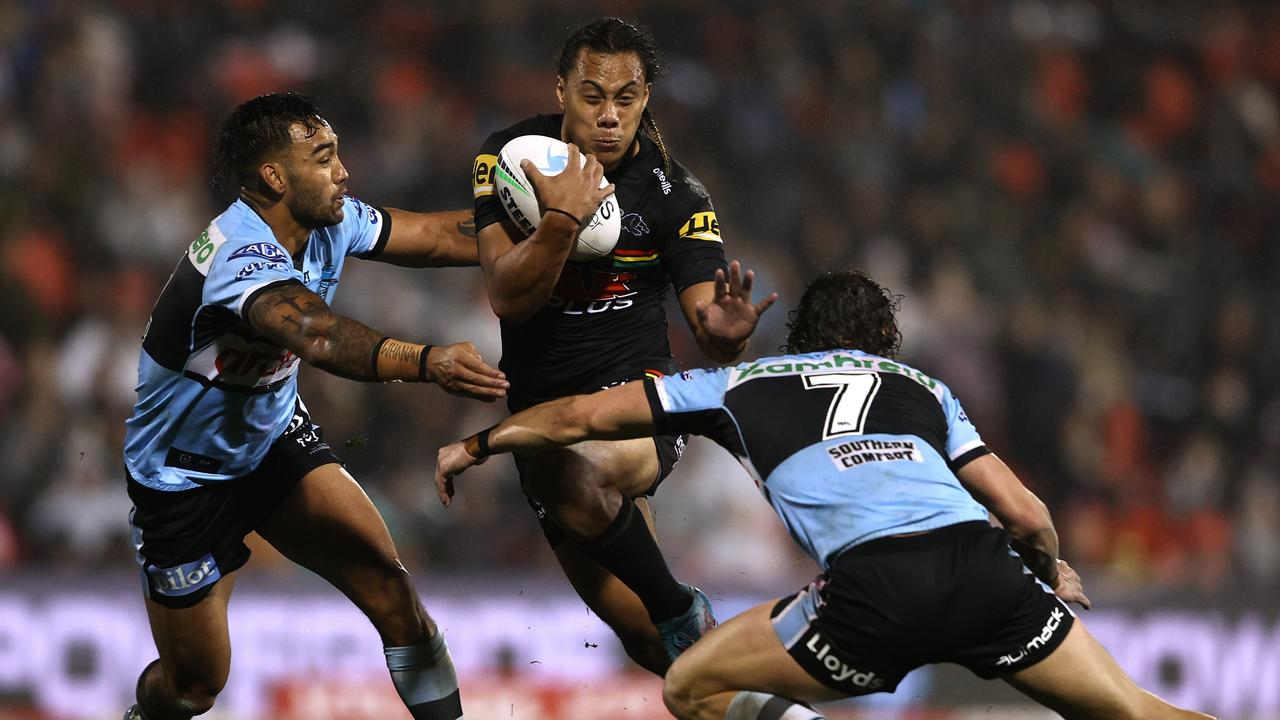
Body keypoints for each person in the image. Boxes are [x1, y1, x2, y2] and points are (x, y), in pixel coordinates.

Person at [434, 270, 1217, 720]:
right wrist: (1047, 572)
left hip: (873, 588)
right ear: (885, 345)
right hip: (987, 575)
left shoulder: (736, 384)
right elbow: (1026, 514)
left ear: (803, 338)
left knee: (692, 686)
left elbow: (579, 417)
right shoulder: (923, 387)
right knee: (1139, 714)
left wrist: (478, 445)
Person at [121, 92, 508, 720]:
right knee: (195, 685)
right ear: (274, 176)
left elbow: (436, 237)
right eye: (324, 158)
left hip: (273, 441)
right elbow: (318, 335)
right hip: (182, 480)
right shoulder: (236, 256)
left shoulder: (332, 222)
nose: (343, 172)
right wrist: (427, 360)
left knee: (393, 591)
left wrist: (547, 228)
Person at [470, 17, 776, 673]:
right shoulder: (508, 157)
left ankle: (677, 608)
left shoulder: (676, 193)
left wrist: (724, 334)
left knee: (576, 471)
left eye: (627, 98)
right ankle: (735, 680)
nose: (610, 117)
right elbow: (508, 294)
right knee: (648, 645)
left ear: (646, 99)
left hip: (639, 404)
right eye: (592, 96)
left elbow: (707, 321)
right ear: (561, 91)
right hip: (538, 417)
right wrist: (564, 218)